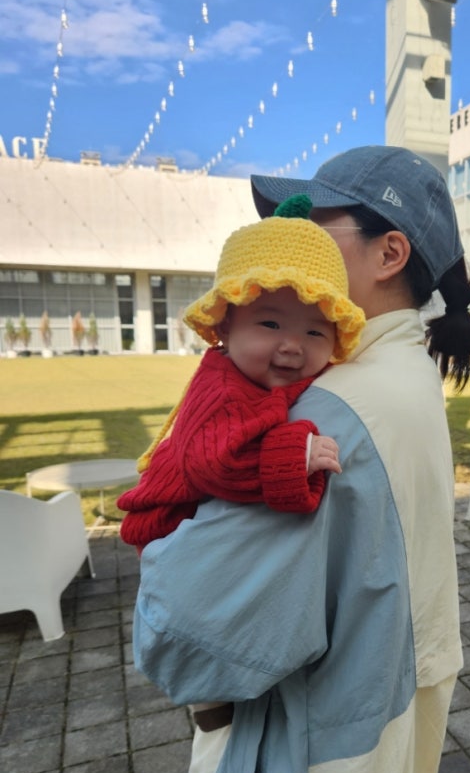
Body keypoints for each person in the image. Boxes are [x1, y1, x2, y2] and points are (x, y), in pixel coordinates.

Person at [133, 145, 470, 773]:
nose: (289, 238)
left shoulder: (326, 412)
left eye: (313, 221)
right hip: (372, 743)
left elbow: (182, 631)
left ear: (388, 253)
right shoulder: (405, 374)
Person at [118, 194, 365, 553]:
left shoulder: (270, 372)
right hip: (168, 528)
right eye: (270, 324)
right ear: (225, 326)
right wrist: (294, 455)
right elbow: (213, 463)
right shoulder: (221, 390)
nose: (293, 345)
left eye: (315, 332)